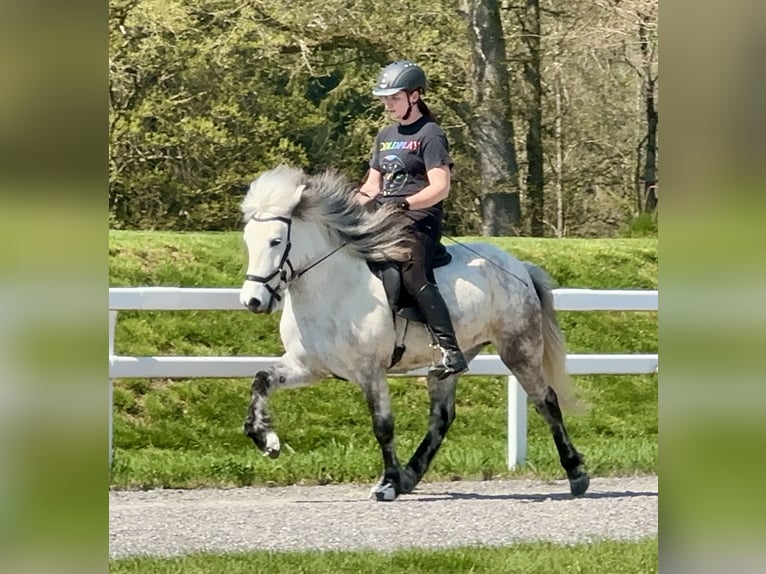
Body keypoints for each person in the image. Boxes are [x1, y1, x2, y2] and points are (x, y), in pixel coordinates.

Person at [357, 60, 468, 380]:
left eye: (394, 97)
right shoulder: (385, 135)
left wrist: (405, 204)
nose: (387, 103)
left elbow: (440, 187)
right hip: (385, 219)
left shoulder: (431, 135)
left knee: (413, 274)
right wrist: (347, 209)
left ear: (415, 96)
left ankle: (450, 350)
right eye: (385, 98)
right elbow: (371, 186)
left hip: (419, 219)